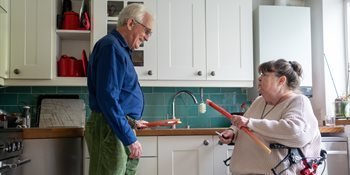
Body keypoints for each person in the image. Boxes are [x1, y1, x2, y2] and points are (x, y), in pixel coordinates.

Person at [219, 59, 321, 174]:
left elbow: (296, 133)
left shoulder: (299, 101)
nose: (259, 78)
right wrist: (232, 132)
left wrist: (249, 123)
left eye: (264, 74)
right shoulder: (259, 101)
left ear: (281, 80)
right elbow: (241, 126)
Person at [85, 3, 153, 175]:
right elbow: (107, 98)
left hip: (116, 127)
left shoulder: (119, 49)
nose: (147, 38)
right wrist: (129, 137)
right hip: (109, 128)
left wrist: (132, 122)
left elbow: (117, 95)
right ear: (131, 23)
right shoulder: (111, 47)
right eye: (147, 31)